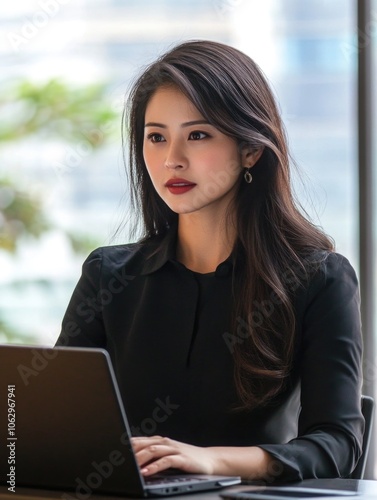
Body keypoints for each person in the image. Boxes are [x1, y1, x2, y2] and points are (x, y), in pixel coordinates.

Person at [56, 40, 364, 482]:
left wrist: (211, 460)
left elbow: (338, 445)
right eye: (156, 137)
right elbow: (54, 424)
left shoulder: (319, 279)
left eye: (197, 135)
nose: (172, 160)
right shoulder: (108, 276)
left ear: (251, 150)